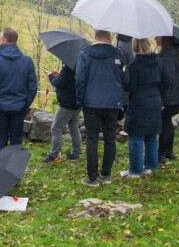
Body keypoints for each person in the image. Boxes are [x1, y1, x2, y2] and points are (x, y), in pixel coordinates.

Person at [75, 29, 129, 187]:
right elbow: (125, 79)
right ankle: (106, 174)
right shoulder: (118, 54)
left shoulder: (85, 54)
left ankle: (92, 177)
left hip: (91, 103)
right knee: (109, 138)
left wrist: (81, 100)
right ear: (109, 36)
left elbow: (79, 79)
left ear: (95, 36)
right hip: (112, 103)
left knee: (92, 139)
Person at [121, 38, 172, 178]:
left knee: (136, 136)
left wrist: (123, 75)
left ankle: (135, 170)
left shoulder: (134, 65)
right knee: (151, 135)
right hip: (155, 100)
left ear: (135, 47)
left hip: (139, 102)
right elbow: (167, 81)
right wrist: (158, 93)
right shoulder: (158, 61)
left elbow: (130, 87)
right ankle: (151, 166)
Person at [0, 28, 38, 151]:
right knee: (17, 141)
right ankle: (15, 168)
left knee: (1, 140)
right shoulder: (27, 61)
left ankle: (1, 167)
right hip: (19, 106)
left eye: (1, 39)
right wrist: (26, 103)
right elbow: (33, 86)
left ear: (5, 40)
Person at [41, 61, 82, 163]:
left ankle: (53, 155)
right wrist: (59, 75)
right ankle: (76, 153)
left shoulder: (68, 69)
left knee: (56, 128)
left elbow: (58, 84)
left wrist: (51, 76)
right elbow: (69, 81)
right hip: (76, 104)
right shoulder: (80, 67)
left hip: (66, 105)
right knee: (74, 128)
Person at [156, 35, 179, 162]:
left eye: (157, 36)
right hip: (176, 95)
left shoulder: (167, 55)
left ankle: (162, 152)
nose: (155, 39)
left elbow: (169, 78)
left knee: (164, 124)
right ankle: (169, 150)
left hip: (169, 97)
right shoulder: (175, 54)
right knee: (168, 122)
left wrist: (163, 99)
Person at [116, 33, 136, 125]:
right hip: (131, 83)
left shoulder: (121, 45)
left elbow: (120, 65)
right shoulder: (130, 43)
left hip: (124, 86)